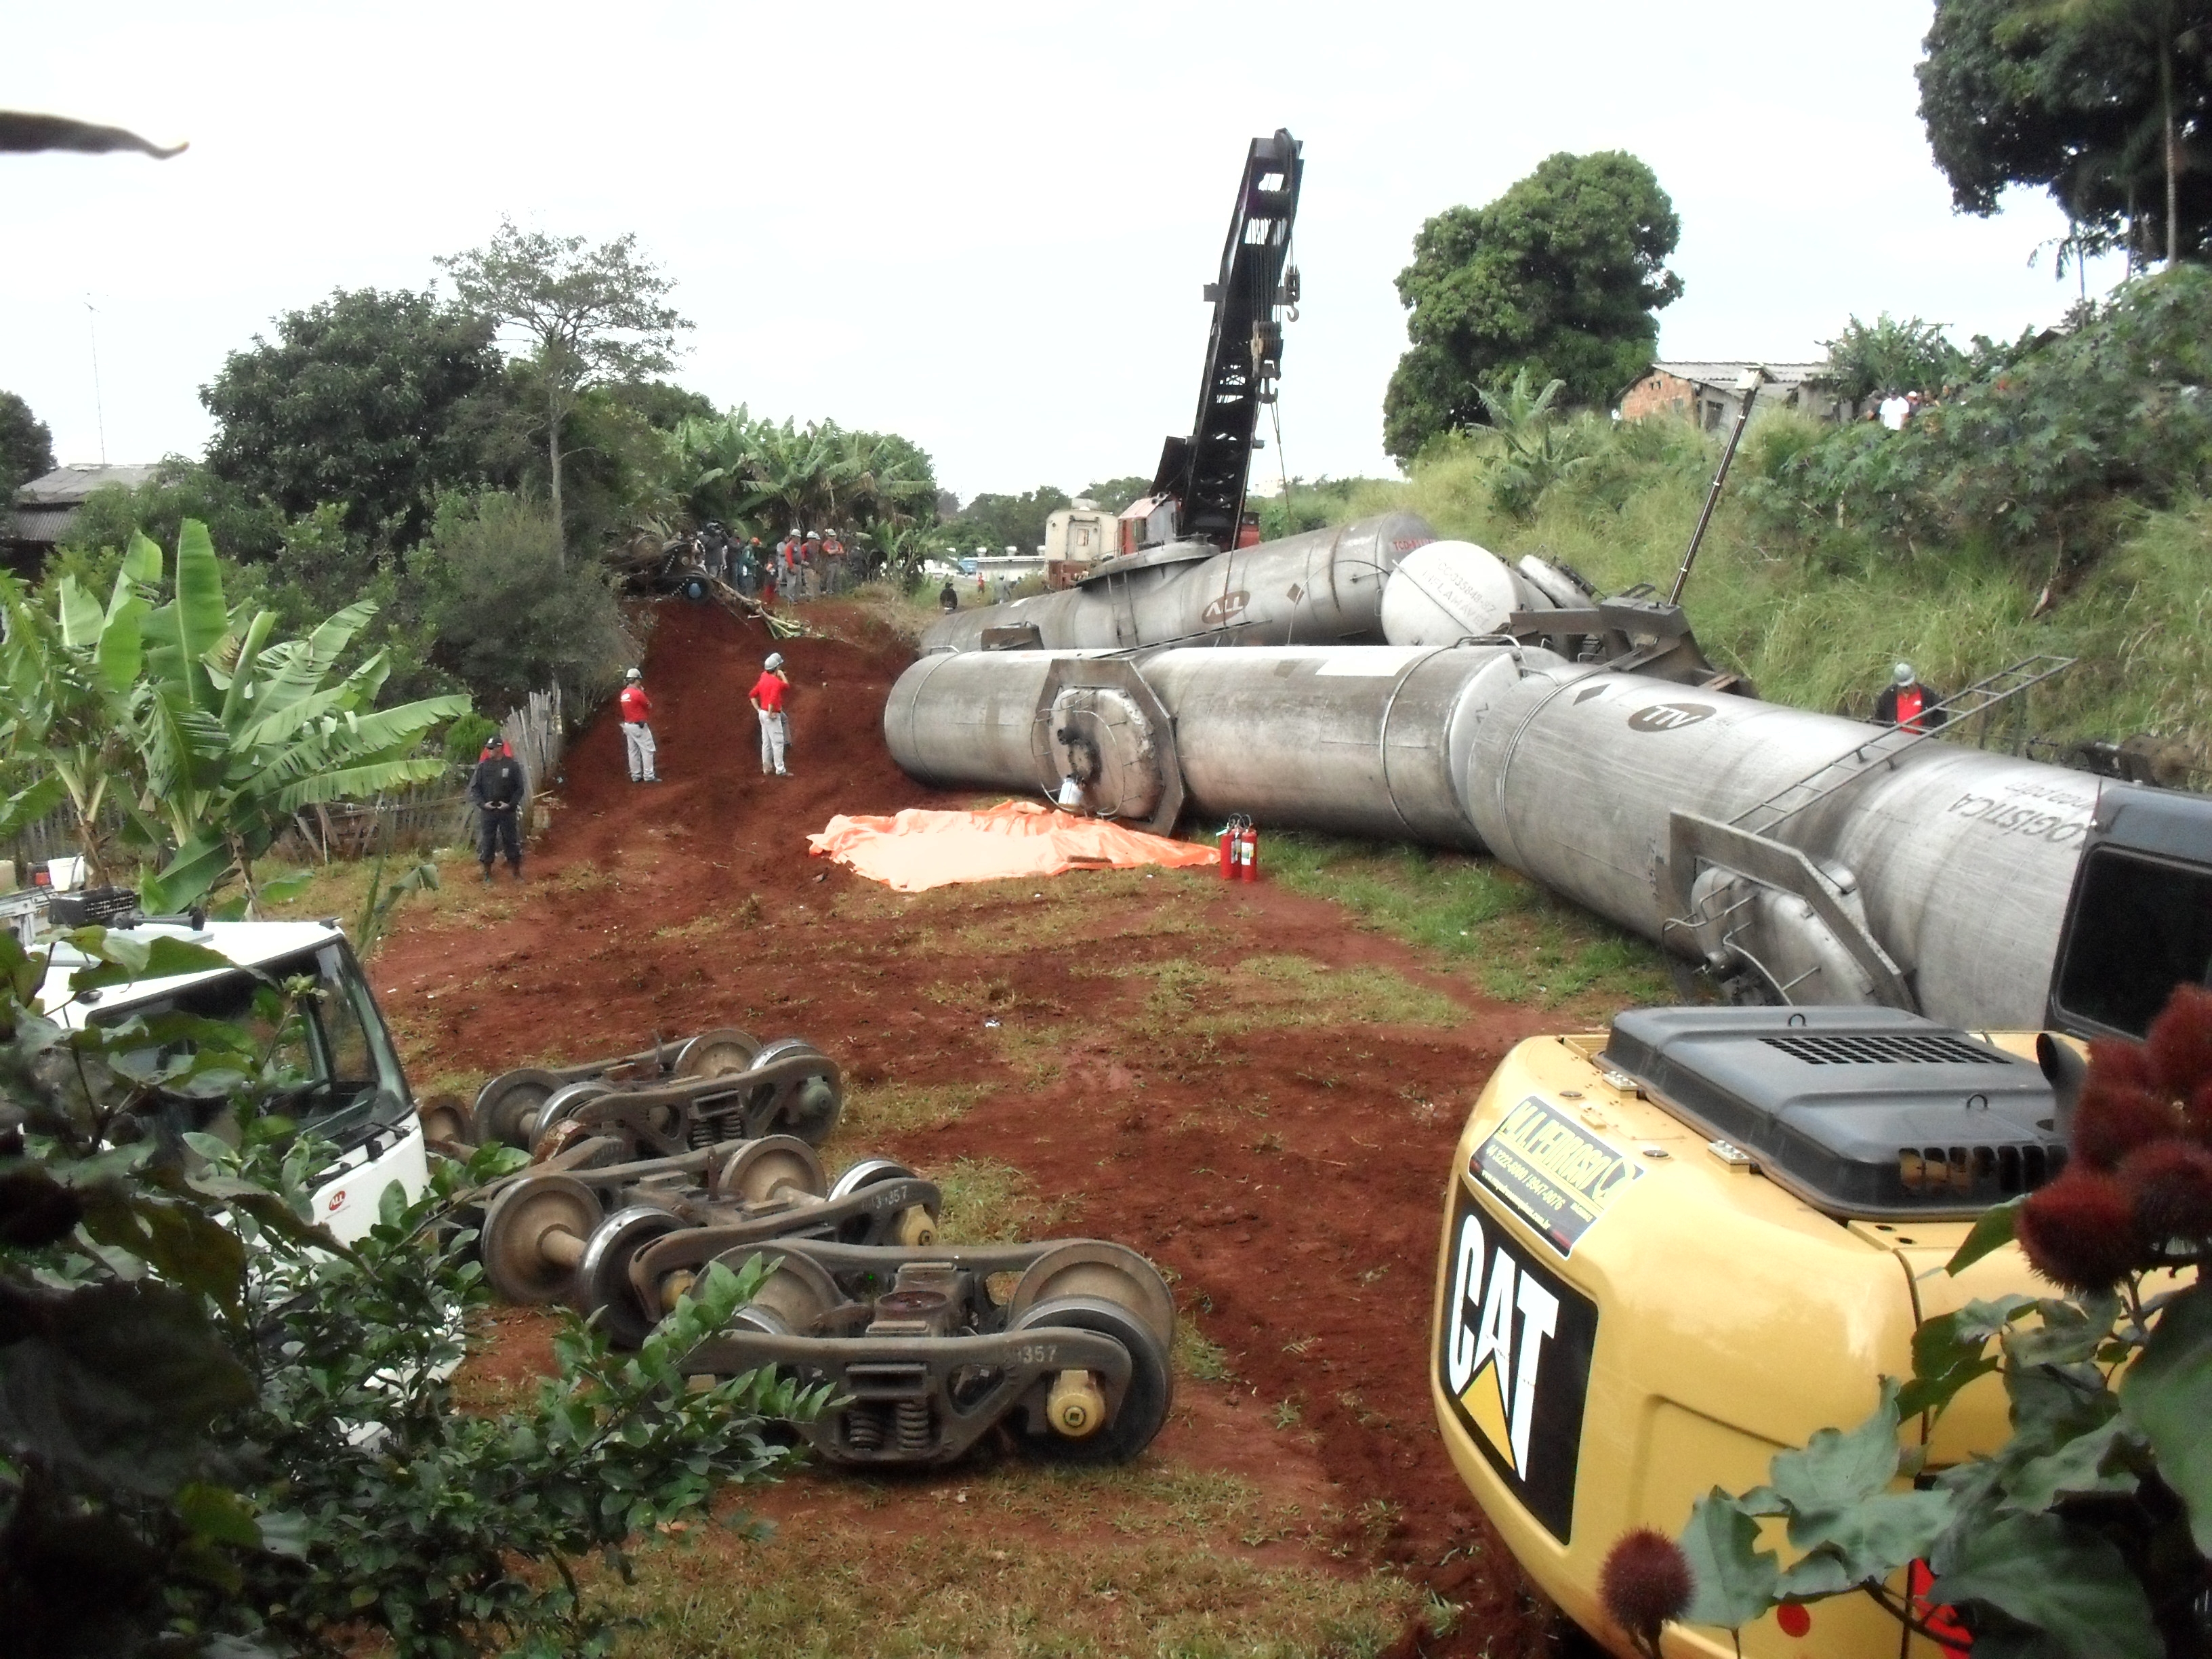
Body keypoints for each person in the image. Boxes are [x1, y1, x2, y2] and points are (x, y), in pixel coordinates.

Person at [468, 735, 528, 883]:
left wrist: (510, 804)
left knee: (511, 841)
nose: (489, 751)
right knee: (488, 841)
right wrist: (483, 804)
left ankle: (516, 873)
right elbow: (475, 789)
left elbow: (519, 789)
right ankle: (487, 874)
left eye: (492, 748)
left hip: (507, 811)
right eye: (488, 748)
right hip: (489, 811)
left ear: (500, 748)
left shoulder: (512, 765)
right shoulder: (483, 767)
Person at [1873, 661, 1947, 733]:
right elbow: (1879, 717)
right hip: (1895, 740)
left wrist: (1932, 731)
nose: (1909, 688)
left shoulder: (1927, 694)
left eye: (1911, 684)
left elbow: (1941, 712)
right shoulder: (1889, 695)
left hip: (1921, 740)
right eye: (1905, 687)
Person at [750, 651, 792, 776]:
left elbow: (752, 695)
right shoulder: (776, 682)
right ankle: (780, 770)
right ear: (777, 668)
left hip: (762, 713)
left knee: (767, 742)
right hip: (771, 714)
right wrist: (770, 712)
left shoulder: (763, 677)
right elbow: (779, 693)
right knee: (777, 743)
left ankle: (767, 768)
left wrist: (759, 710)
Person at [619, 666, 661, 782]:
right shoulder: (638, 693)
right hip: (639, 726)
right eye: (639, 680)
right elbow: (649, 705)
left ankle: (636, 776)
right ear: (636, 680)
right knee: (648, 749)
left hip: (628, 725)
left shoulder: (624, 694)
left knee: (633, 751)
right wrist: (641, 692)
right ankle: (649, 775)